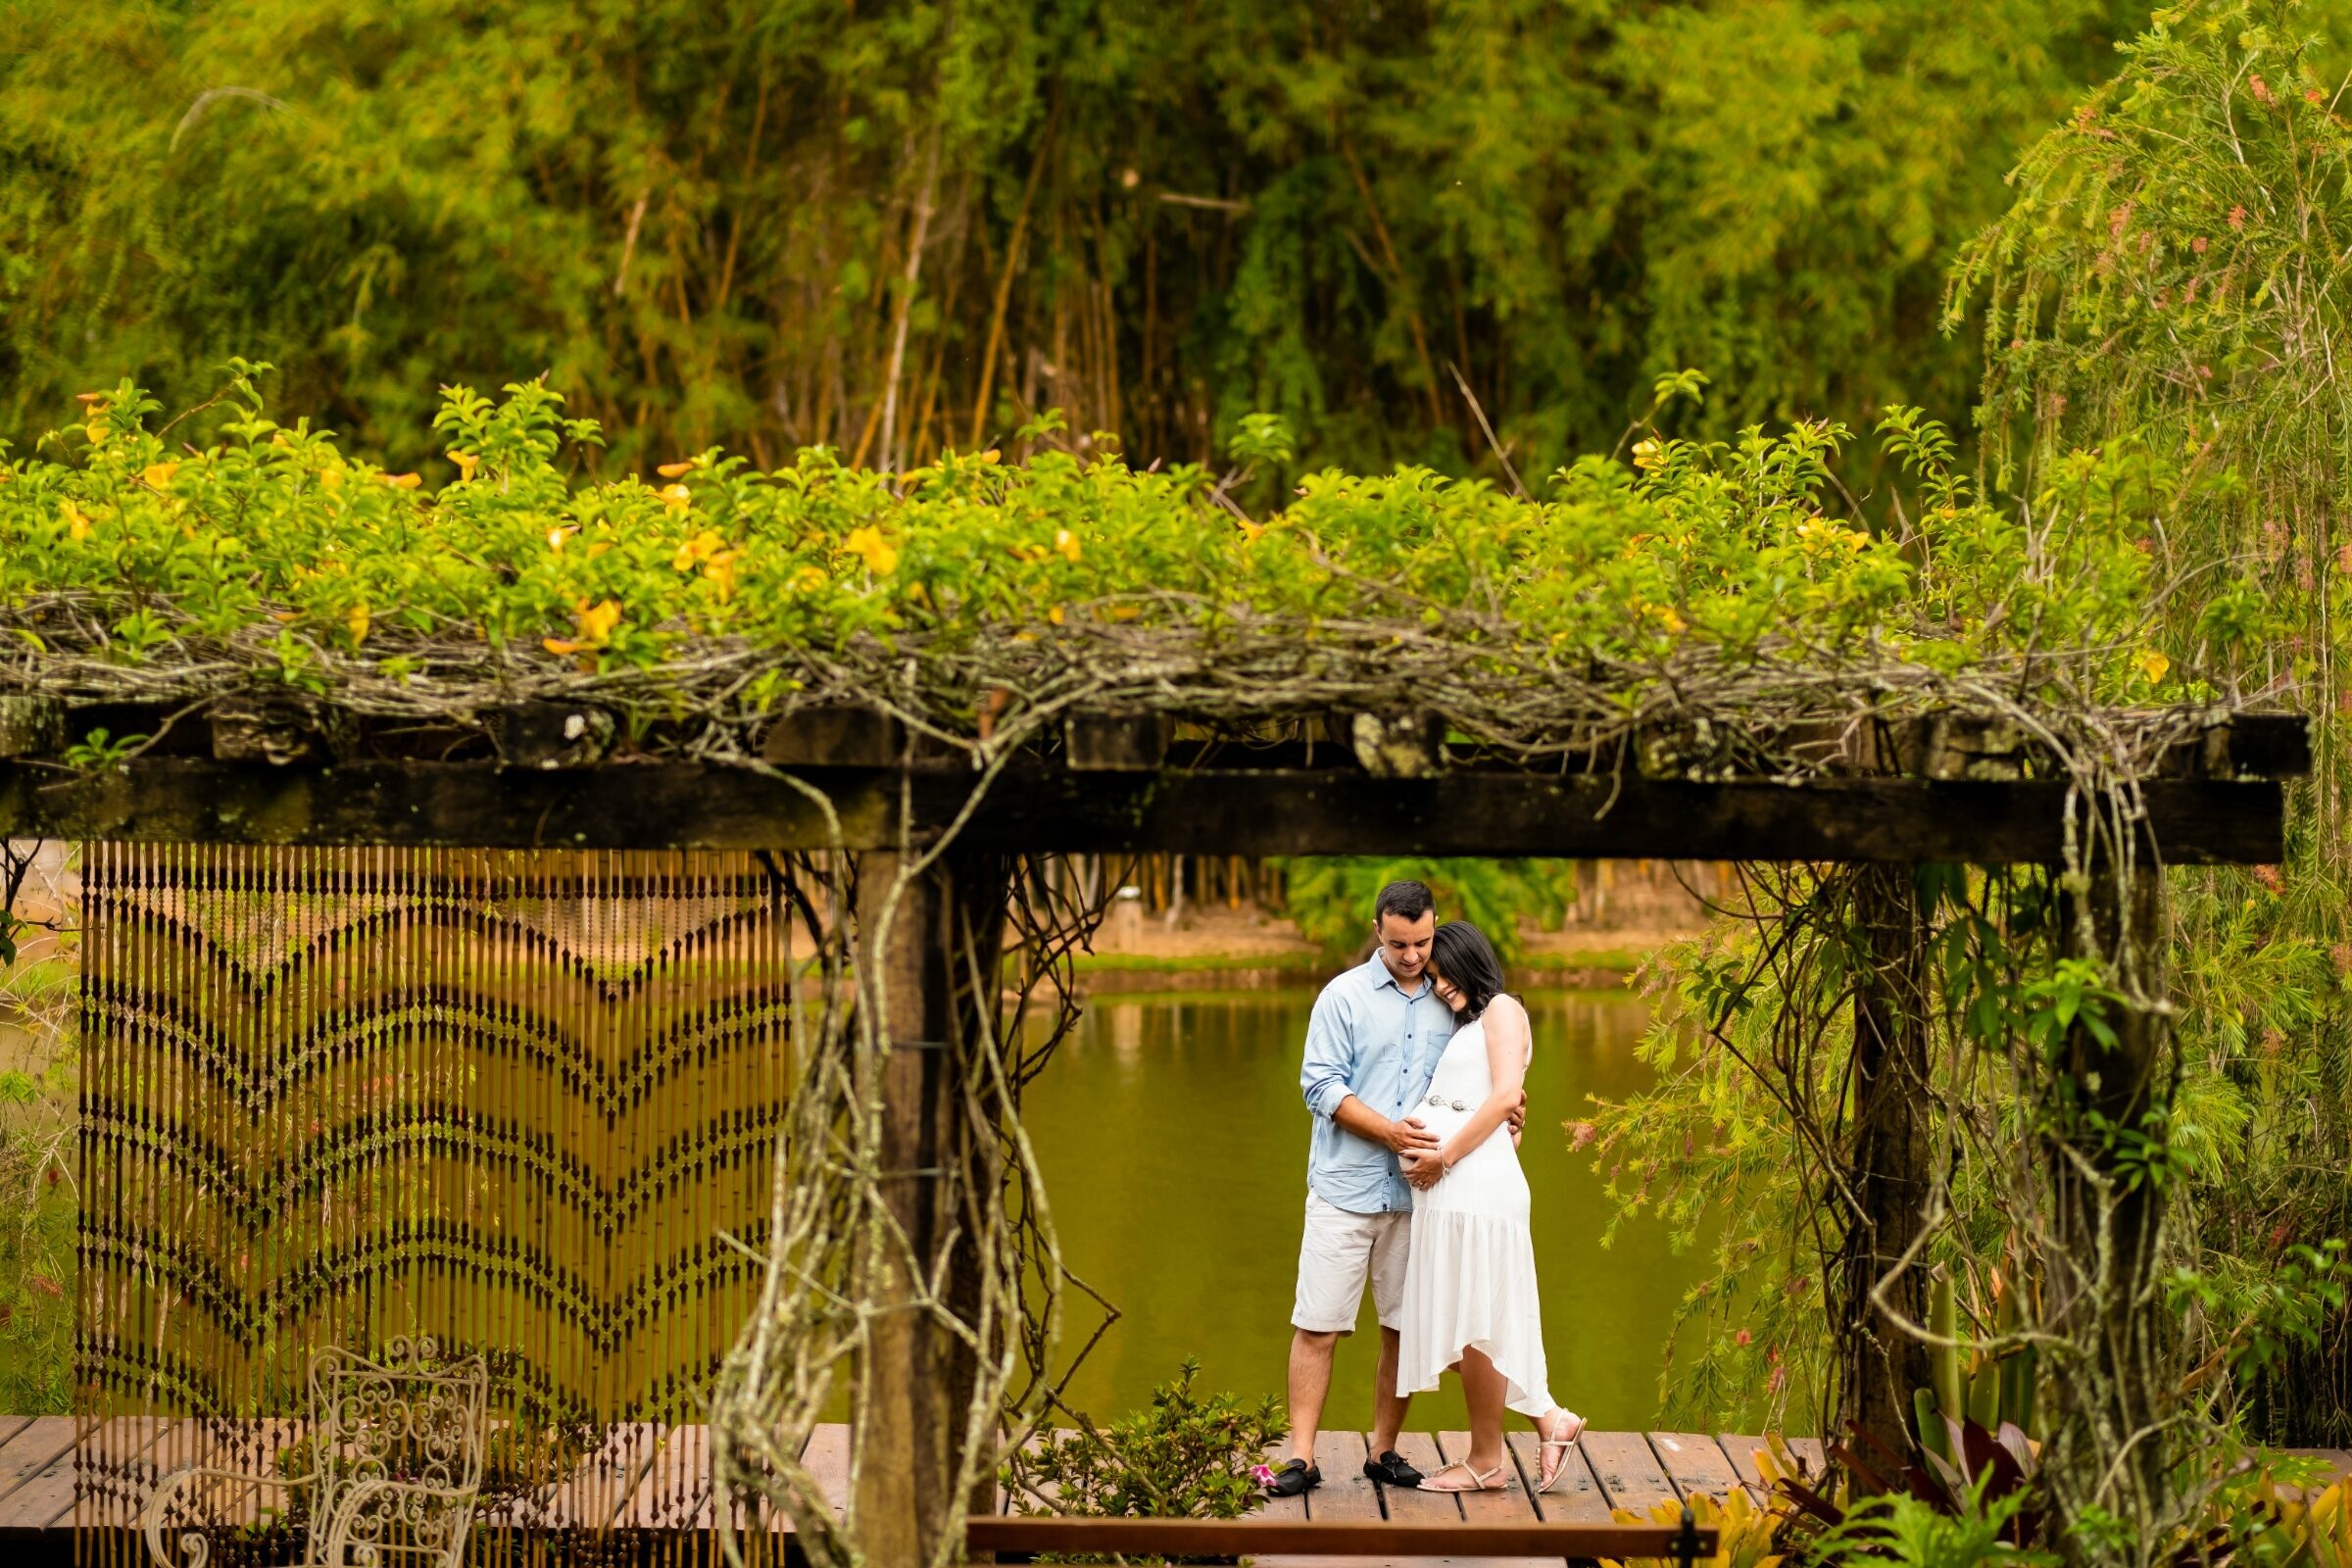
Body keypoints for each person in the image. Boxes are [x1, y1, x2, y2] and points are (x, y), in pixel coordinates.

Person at [1264, 881, 1524, 1499]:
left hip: (1422, 1200)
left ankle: (1383, 1451)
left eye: (1423, 942)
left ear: (1435, 930)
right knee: (1318, 1325)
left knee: (1403, 1330)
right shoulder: (1343, 997)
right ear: (1378, 929)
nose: (1412, 956)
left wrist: (1514, 1109)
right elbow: (1319, 1087)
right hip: (1343, 1191)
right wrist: (1388, 1132)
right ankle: (1301, 1456)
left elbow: (1486, 1077)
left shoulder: (1449, 1000)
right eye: (1400, 943)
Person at [1396, 918, 1585, 1492]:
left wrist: (1442, 1157)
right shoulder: (1472, 1023)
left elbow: (1505, 1095)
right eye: (1432, 978)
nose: (1439, 986)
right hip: (1458, 1192)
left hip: (1474, 1190)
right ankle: (1549, 1419)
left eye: (1443, 972)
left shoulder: (1502, 1008)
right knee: (1464, 1324)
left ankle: (1486, 1461)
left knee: (1476, 1325)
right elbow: (1497, 1107)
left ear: (1470, 960)